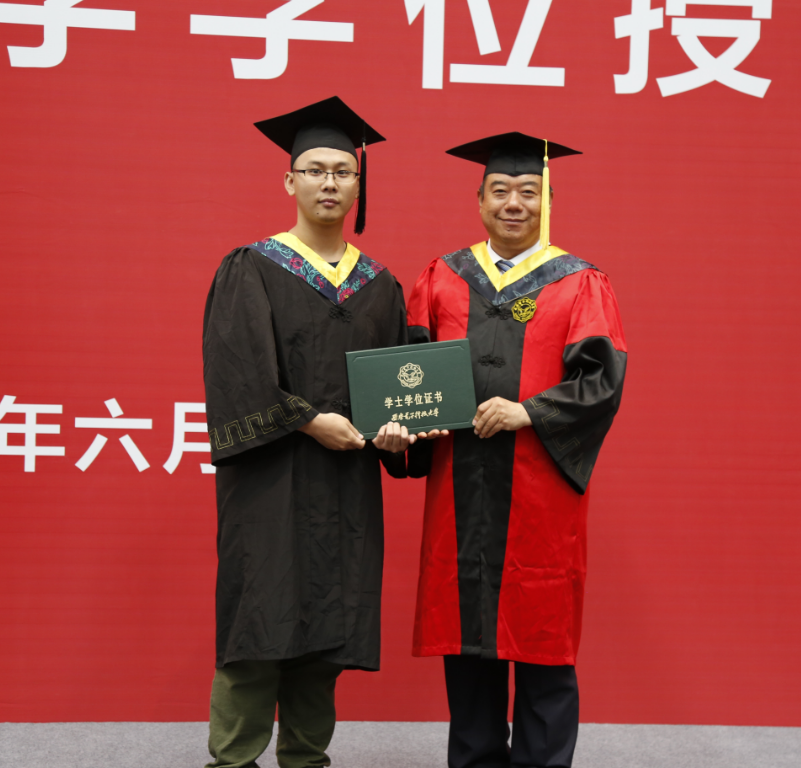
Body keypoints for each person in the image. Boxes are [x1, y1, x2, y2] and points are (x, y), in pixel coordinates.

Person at [201, 96, 415, 768]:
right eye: (315, 171)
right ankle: (232, 760)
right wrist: (308, 421)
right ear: (289, 180)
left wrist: (399, 432)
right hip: (270, 483)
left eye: (342, 172)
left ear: (358, 185)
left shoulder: (379, 285)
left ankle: (305, 759)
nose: (329, 183)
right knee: (258, 627)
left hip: (345, 485)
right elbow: (237, 375)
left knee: (326, 631)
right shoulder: (252, 267)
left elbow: (398, 386)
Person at [404, 133, 628, 768]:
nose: (513, 203)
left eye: (529, 192)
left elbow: (601, 382)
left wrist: (528, 411)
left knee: (542, 645)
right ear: (479, 200)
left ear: (548, 202)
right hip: (460, 492)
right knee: (469, 649)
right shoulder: (443, 279)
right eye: (500, 190)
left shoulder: (580, 283)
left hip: (539, 498)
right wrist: (401, 429)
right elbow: (410, 377)